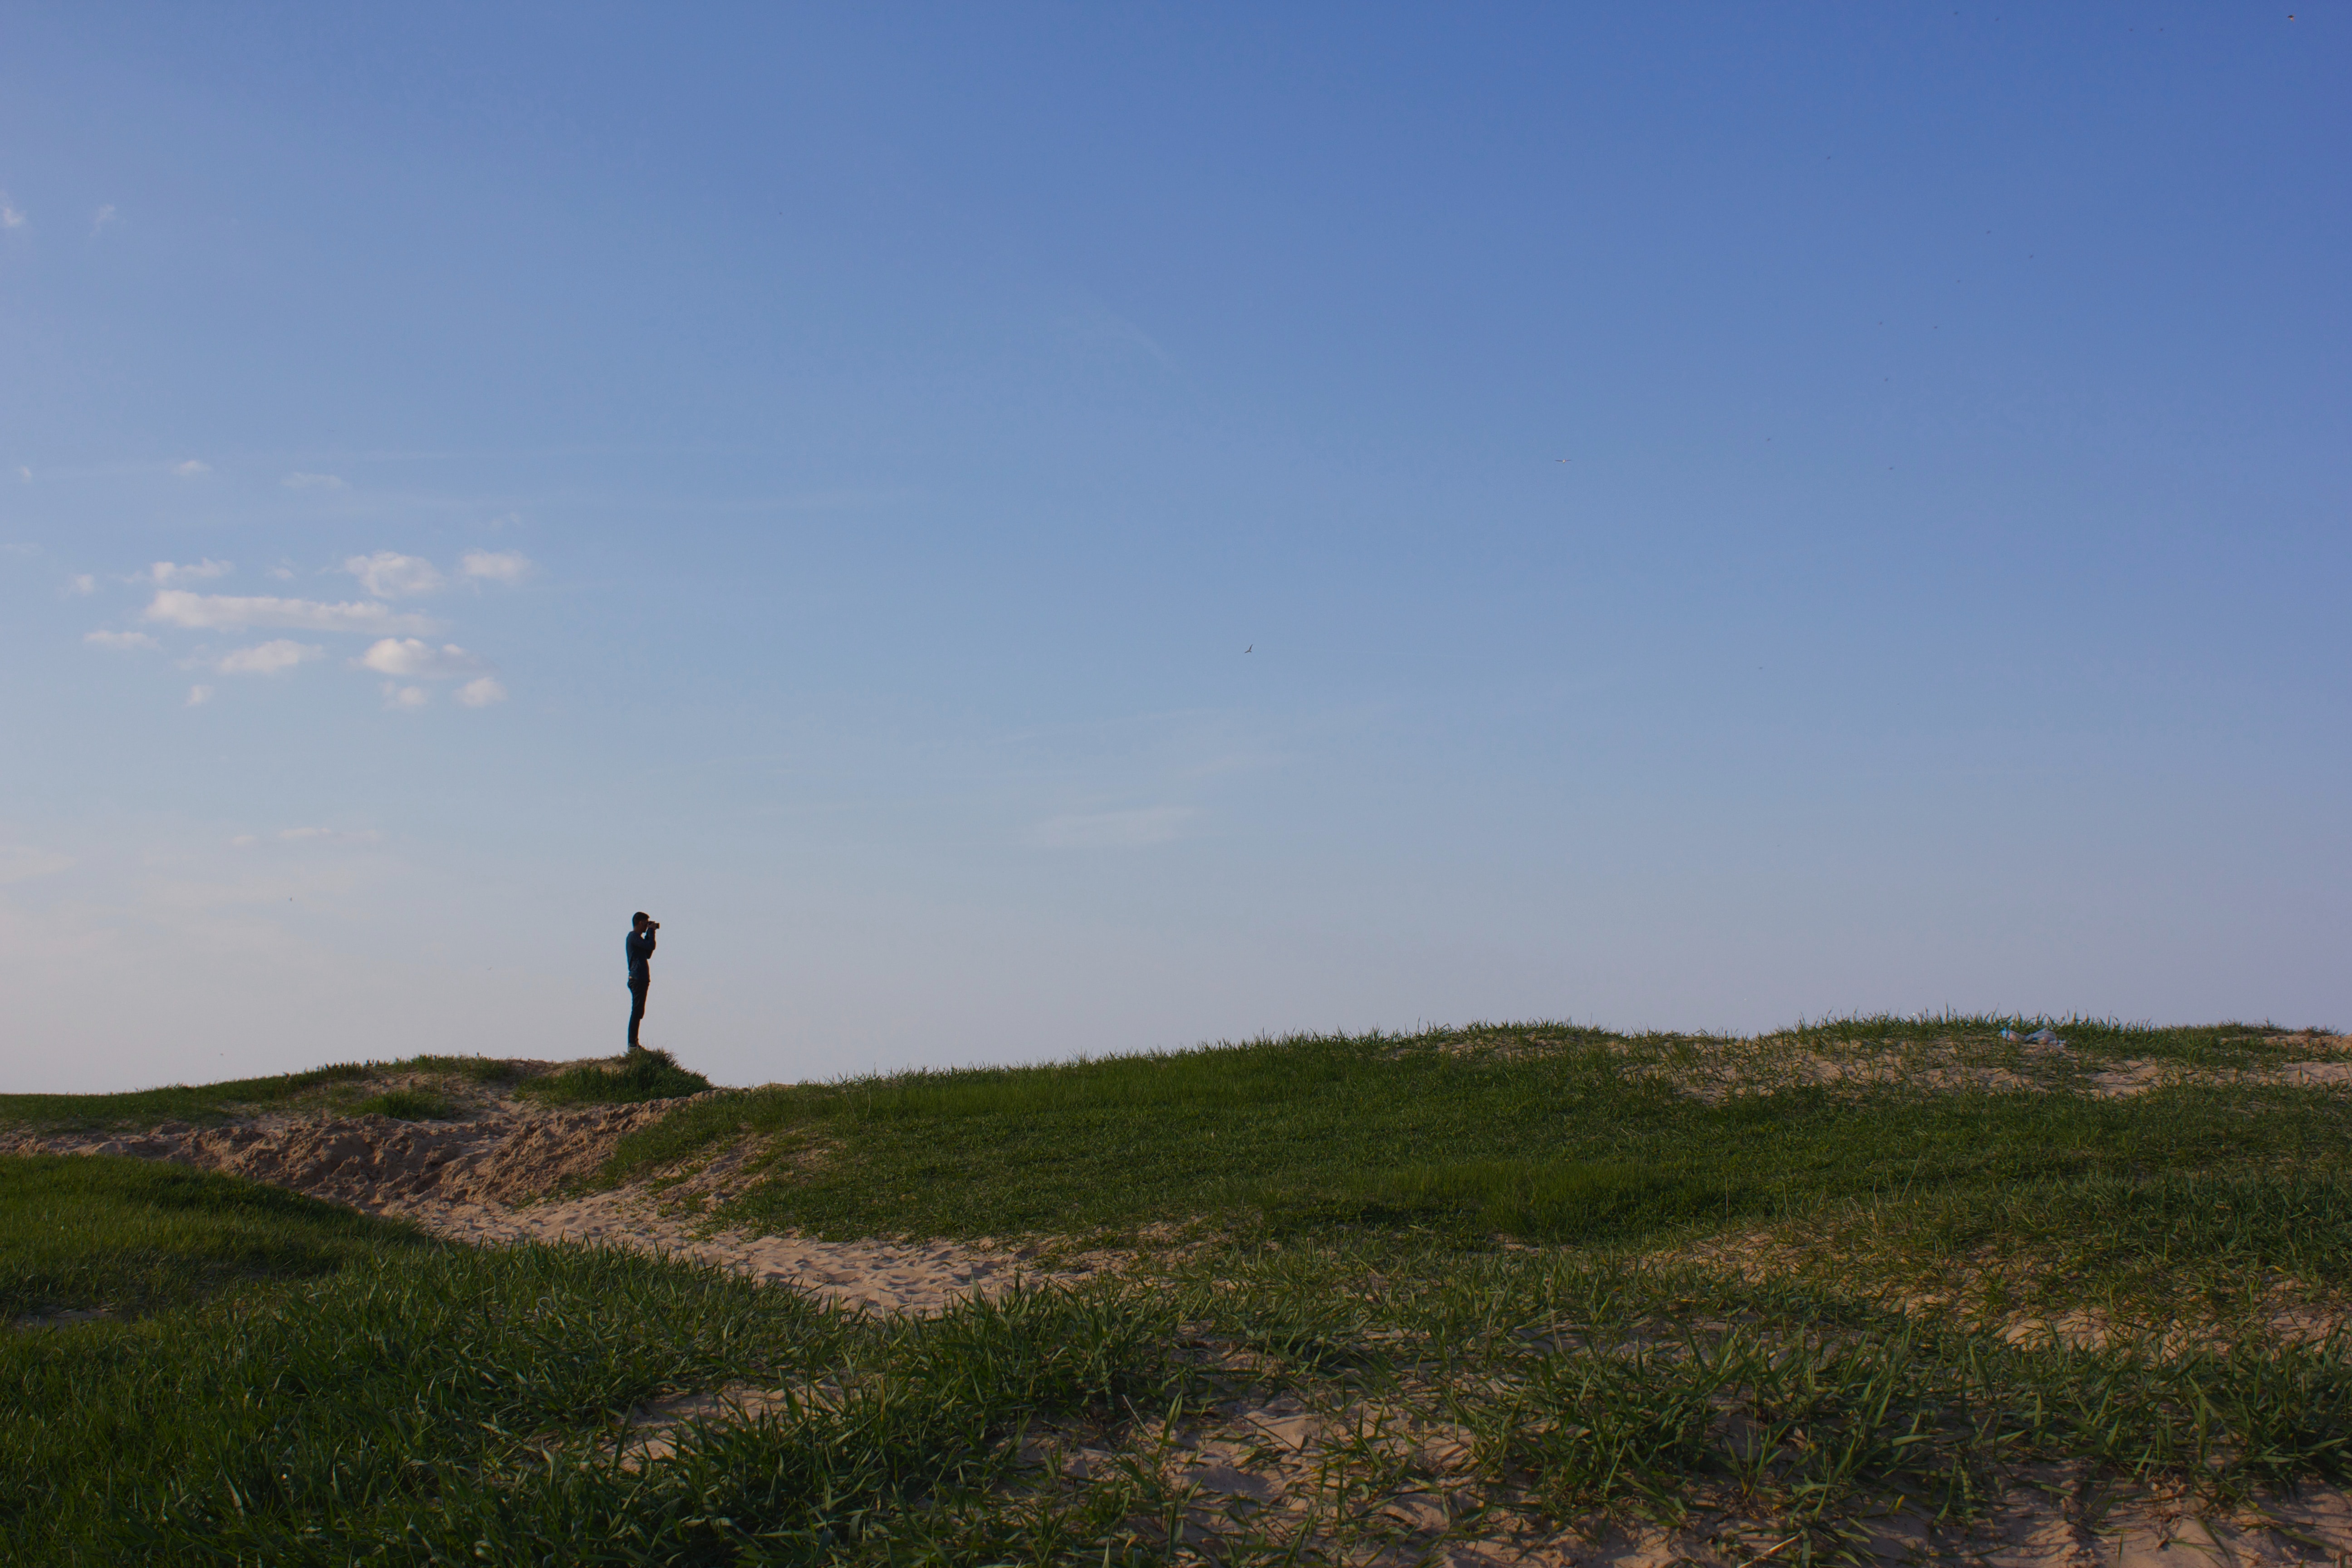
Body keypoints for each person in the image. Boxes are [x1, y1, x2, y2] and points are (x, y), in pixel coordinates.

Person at [625, 911, 659, 1052]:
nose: (647, 925)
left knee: (639, 1011)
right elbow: (650, 946)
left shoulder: (637, 939)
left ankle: (634, 1043)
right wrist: (651, 932)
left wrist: (650, 934)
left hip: (642, 978)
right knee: (636, 1011)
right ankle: (632, 1044)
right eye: (646, 923)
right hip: (637, 978)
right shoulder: (633, 937)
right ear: (640, 923)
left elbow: (648, 953)